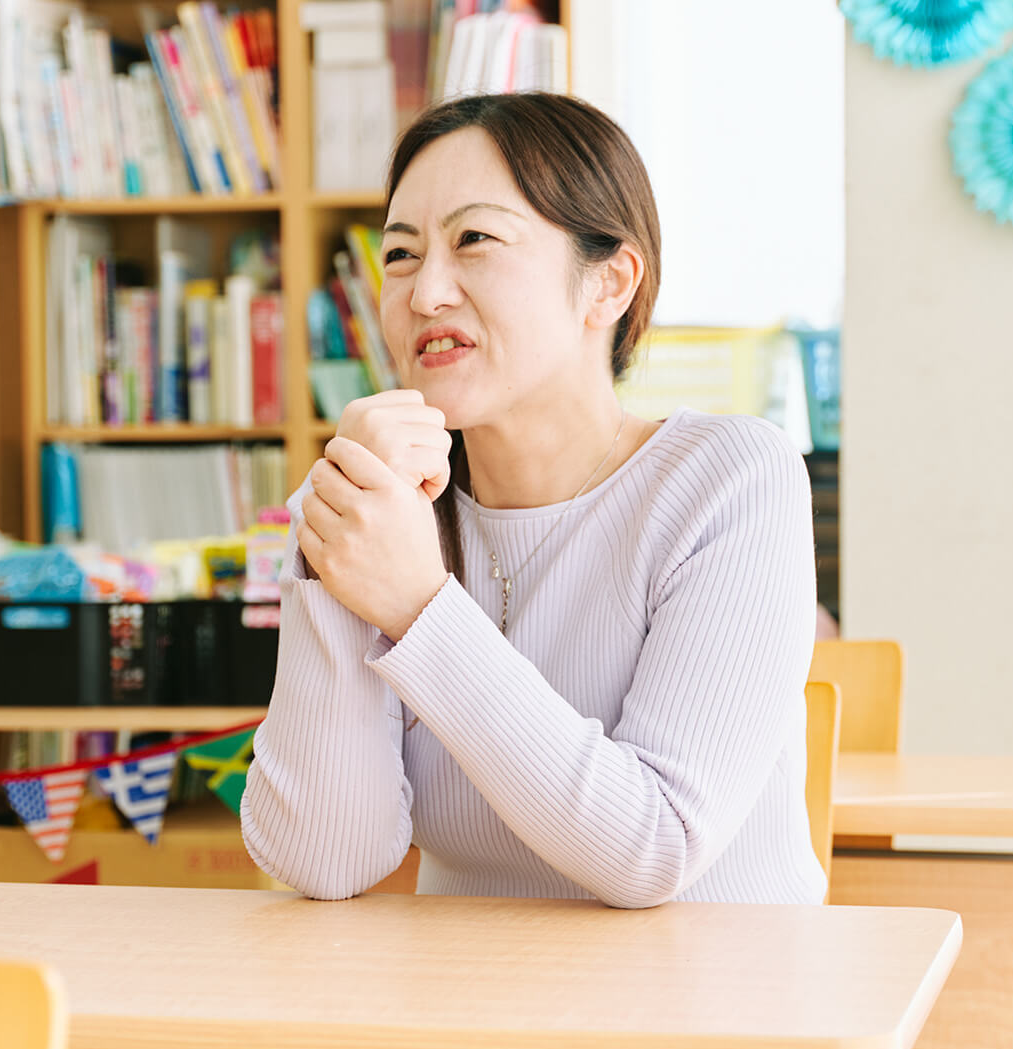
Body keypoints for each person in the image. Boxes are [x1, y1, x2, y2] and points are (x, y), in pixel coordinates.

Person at [241, 92, 824, 908]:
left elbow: (654, 845)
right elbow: (326, 859)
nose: (425, 292)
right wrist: (337, 562)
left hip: (708, 1016)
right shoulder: (379, 503)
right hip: (472, 1015)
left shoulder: (730, 481)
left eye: (474, 240)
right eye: (401, 254)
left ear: (609, 283)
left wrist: (417, 603)